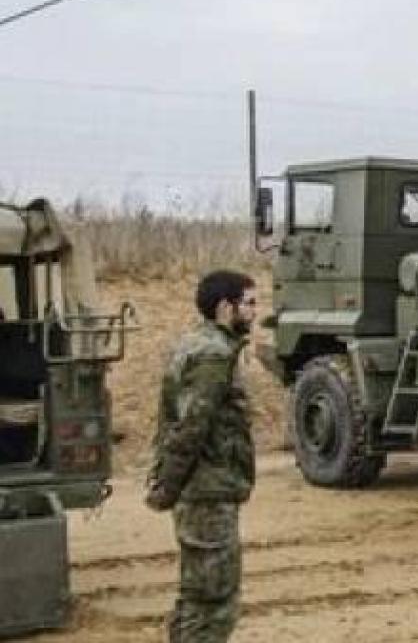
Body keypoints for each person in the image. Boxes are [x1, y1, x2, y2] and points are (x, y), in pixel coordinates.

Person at [146, 270, 258, 643]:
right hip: (207, 491)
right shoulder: (213, 354)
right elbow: (192, 427)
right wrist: (167, 487)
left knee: (196, 597)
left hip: (204, 489)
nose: (255, 312)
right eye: (249, 303)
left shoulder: (197, 344)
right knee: (214, 602)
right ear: (226, 307)